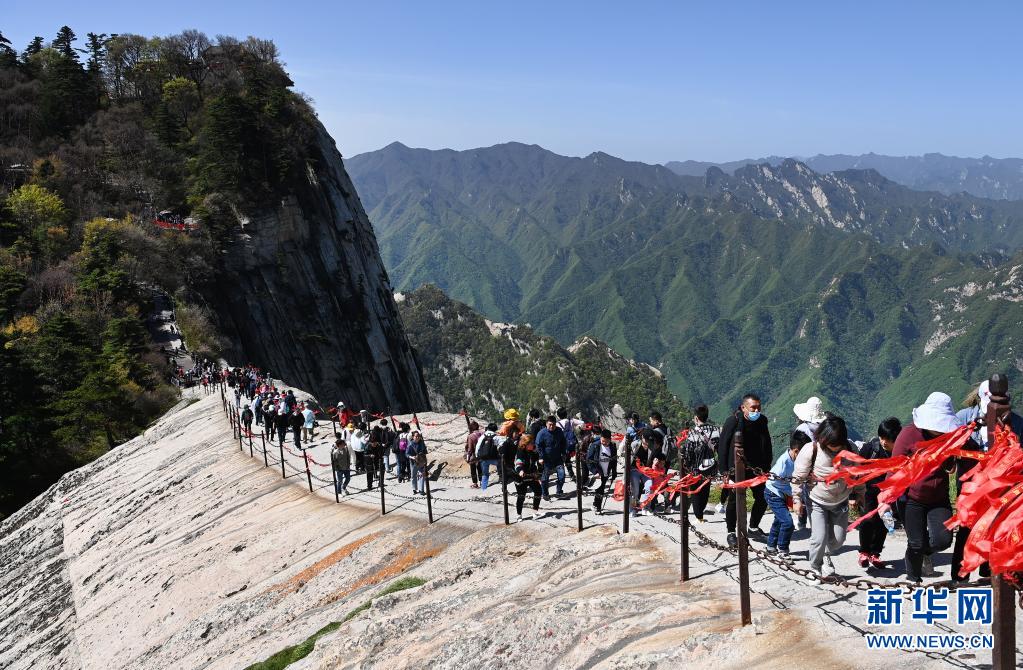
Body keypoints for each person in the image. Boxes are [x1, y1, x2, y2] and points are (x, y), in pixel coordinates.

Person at [877, 393, 960, 583]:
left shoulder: (951, 436)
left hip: (938, 497)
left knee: (943, 541)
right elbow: (894, 467)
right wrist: (886, 499)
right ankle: (913, 579)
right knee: (916, 544)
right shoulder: (908, 434)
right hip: (911, 498)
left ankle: (925, 552)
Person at [793, 413, 852, 578]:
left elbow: (857, 473)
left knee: (838, 540)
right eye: (831, 444)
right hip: (816, 500)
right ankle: (815, 568)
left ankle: (825, 552)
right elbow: (797, 477)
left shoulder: (850, 449)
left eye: (838, 444)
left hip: (841, 500)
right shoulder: (811, 449)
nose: (835, 448)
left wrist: (860, 494)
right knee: (818, 538)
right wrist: (797, 500)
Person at [717, 394, 774, 548]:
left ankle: (753, 527)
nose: (756, 410)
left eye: (758, 407)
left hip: (756, 468)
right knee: (734, 500)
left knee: (763, 497)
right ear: (743, 407)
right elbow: (723, 446)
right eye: (753, 408)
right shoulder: (733, 421)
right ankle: (731, 532)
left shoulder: (762, 421)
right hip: (735, 468)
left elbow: (767, 443)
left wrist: (767, 466)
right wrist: (724, 471)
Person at [855, 418, 901, 570]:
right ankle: (864, 552)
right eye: (881, 437)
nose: (883, 442)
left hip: (889, 494)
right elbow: (856, 471)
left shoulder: (901, 451)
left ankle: (875, 553)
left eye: (888, 439)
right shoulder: (871, 449)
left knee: (883, 523)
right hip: (869, 490)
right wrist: (853, 495)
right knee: (868, 520)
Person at [764, 434, 806, 558]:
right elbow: (775, 481)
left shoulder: (795, 460)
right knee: (788, 523)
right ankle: (783, 549)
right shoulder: (784, 463)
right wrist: (793, 495)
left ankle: (770, 546)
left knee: (779, 520)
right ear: (796, 451)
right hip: (773, 493)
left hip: (782, 493)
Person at [680, 405, 719, 521]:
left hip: (696, 469)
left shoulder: (692, 433)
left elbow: (688, 452)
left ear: (696, 418)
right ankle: (700, 514)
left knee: (696, 492)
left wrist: (686, 465)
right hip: (710, 466)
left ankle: (699, 517)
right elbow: (720, 448)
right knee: (705, 490)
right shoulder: (715, 430)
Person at [793, 396, 826, 530]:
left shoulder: (802, 428)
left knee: (804, 492)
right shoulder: (825, 427)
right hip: (822, 464)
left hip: (806, 463)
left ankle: (803, 521)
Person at [535, 415, 567, 501]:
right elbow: (538, 446)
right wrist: (541, 457)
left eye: (553, 424)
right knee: (545, 479)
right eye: (550, 424)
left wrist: (564, 453)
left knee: (562, 476)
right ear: (546, 424)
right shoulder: (541, 433)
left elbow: (563, 442)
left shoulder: (559, 431)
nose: (552, 426)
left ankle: (559, 491)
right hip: (546, 460)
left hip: (558, 459)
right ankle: (545, 494)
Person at [587, 429, 618, 514]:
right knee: (600, 489)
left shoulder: (612, 447)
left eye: (606, 441)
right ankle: (598, 507)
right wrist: (595, 471)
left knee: (601, 489)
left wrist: (614, 472)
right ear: (601, 438)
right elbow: (589, 460)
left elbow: (614, 460)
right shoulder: (595, 445)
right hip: (598, 471)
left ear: (610, 439)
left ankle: (595, 504)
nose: (604, 443)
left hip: (606, 471)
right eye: (603, 441)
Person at [514, 435, 542, 521]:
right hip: (521, 477)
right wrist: (520, 470)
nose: (533, 444)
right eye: (531, 443)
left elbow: (536, 461)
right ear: (525, 444)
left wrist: (540, 461)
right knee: (521, 496)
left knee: (538, 491)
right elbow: (518, 463)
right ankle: (519, 515)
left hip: (531, 475)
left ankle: (535, 512)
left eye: (533, 442)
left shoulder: (533, 451)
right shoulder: (520, 452)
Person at [475, 423, 502, 491]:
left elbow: (478, 447)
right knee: (501, 465)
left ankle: (484, 488)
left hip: (483, 458)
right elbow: (501, 445)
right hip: (494, 457)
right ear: (495, 429)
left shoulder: (482, 436)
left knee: (485, 474)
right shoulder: (496, 437)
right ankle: (502, 479)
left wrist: (477, 456)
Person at [407, 430, 428, 495]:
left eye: (418, 436)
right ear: (413, 437)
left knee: (422, 474)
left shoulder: (422, 443)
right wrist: (412, 457)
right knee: (413, 475)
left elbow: (425, 451)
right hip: (413, 462)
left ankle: (421, 490)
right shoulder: (410, 444)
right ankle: (414, 488)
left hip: (421, 461)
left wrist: (423, 455)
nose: (417, 437)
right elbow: (407, 454)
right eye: (416, 436)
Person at [465, 420, 483, 488]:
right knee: (480, 468)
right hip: (481, 454)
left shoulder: (471, 436)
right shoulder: (482, 433)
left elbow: (470, 449)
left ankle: (475, 483)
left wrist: (468, 457)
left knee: (473, 469)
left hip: (473, 455)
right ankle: (482, 482)